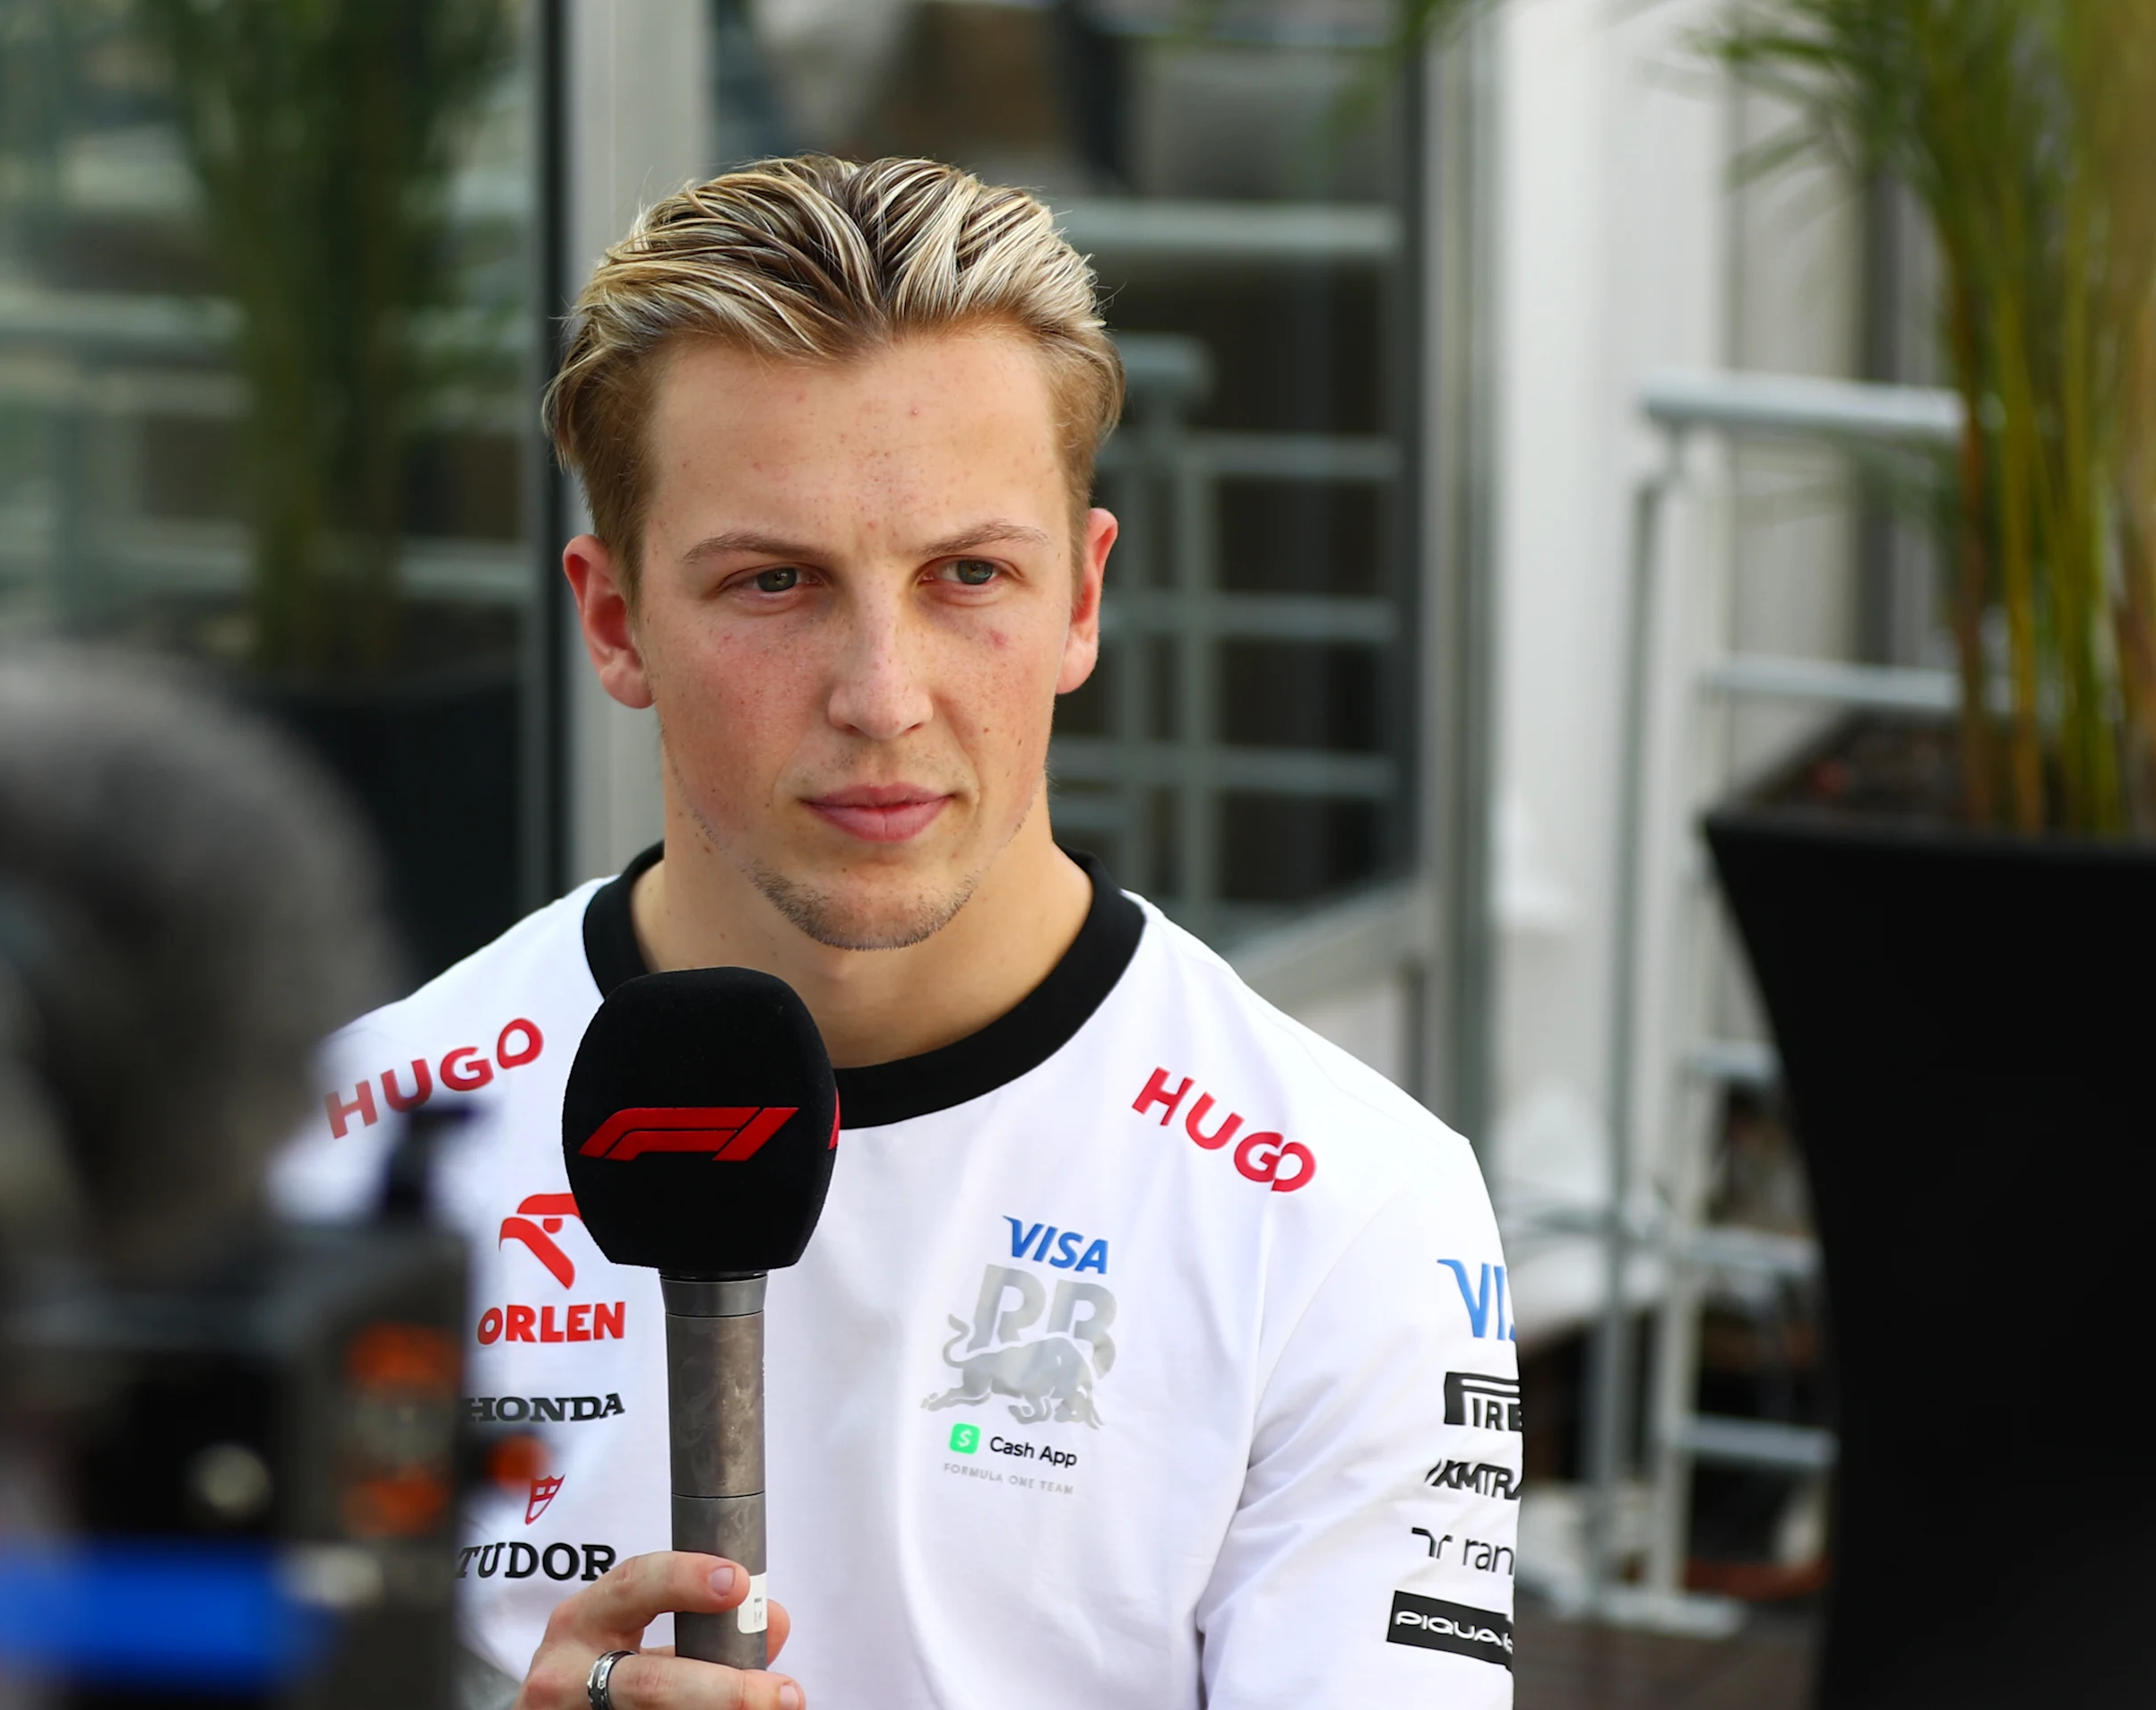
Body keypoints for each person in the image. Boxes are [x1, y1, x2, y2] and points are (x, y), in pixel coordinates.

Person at [277, 156, 1519, 1710]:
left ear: (1082, 601)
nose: (883, 695)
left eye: (967, 576)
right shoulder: (338, 1148)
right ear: (613, 621)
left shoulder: (1346, 1206)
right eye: (775, 581)